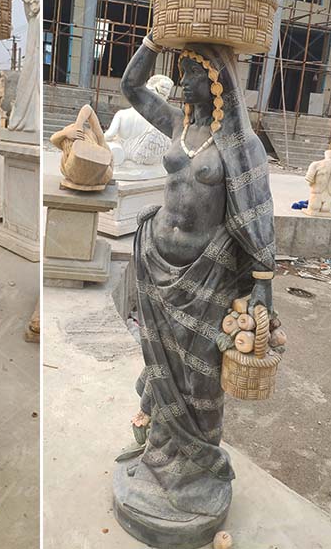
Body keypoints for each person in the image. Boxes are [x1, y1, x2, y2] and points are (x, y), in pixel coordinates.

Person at [113, 34, 276, 537]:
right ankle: (157, 453)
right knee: (160, 367)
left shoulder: (239, 145)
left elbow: (258, 214)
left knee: (198, 375)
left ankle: (195, 469)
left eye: (192, 70)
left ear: (217, 80)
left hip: (207, 276)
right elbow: (132, 85)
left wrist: (263, 283)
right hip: (157, 264)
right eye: (179, 68)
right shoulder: (178, 125)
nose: (182, 78)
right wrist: (152, 39)